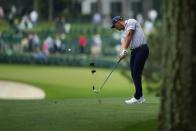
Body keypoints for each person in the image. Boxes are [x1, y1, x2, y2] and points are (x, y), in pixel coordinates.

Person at [111, 16, 149, 104]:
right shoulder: (123, 33)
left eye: (115, 26)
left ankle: (137, 96)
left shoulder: (131, 22)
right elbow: (123, 43)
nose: (116, 28)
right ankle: (141, 96)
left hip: (142, 49)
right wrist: (121, 54)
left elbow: (129, 35)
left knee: (136, 72)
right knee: (134, 73)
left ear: (118, 22)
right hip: (134, 52)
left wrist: (124, 49)